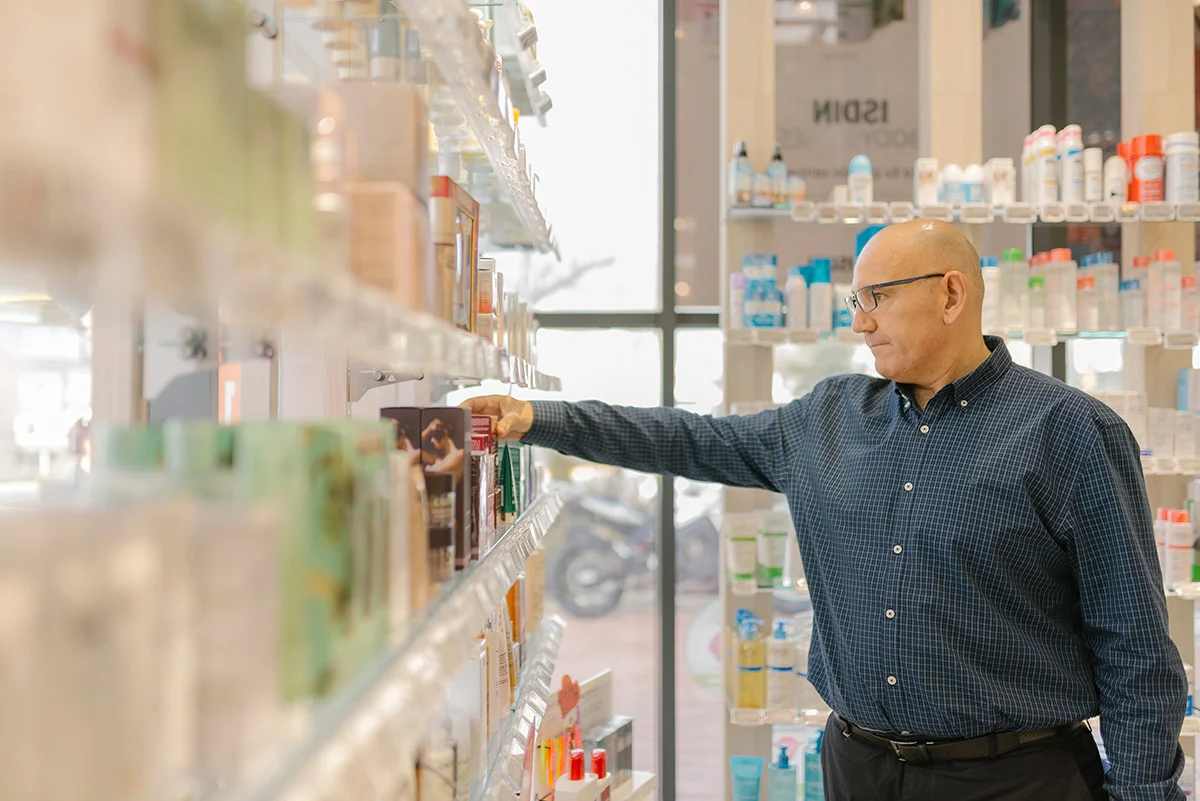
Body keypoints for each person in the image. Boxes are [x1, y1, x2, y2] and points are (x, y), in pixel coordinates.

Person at [464, 219, 1186, 801]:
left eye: (877, 298)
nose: (861, 322)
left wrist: (1146, 792)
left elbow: (1135, 647)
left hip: (1017, 778)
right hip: (856, 767)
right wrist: (540, 416)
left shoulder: (1068, 432)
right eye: (854, 303)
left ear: (951, 294)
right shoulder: (827, 419)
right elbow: (690, 438)